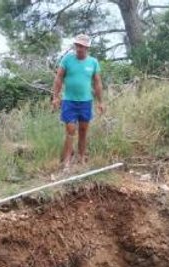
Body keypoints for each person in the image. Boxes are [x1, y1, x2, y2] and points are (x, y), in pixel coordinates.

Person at [52, 33, 105, 171]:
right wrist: (55, 97)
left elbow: (98, 82)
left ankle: (81, 158)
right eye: (77, 45)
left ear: (87, 47)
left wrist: (100, 102)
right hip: (69, 101)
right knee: (70, 130)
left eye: (81, 46)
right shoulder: (67, 60)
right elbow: (58, 78)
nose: (79, 48)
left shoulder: (93, 62)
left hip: (86, 102)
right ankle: (67, 162)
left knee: (83, 130)